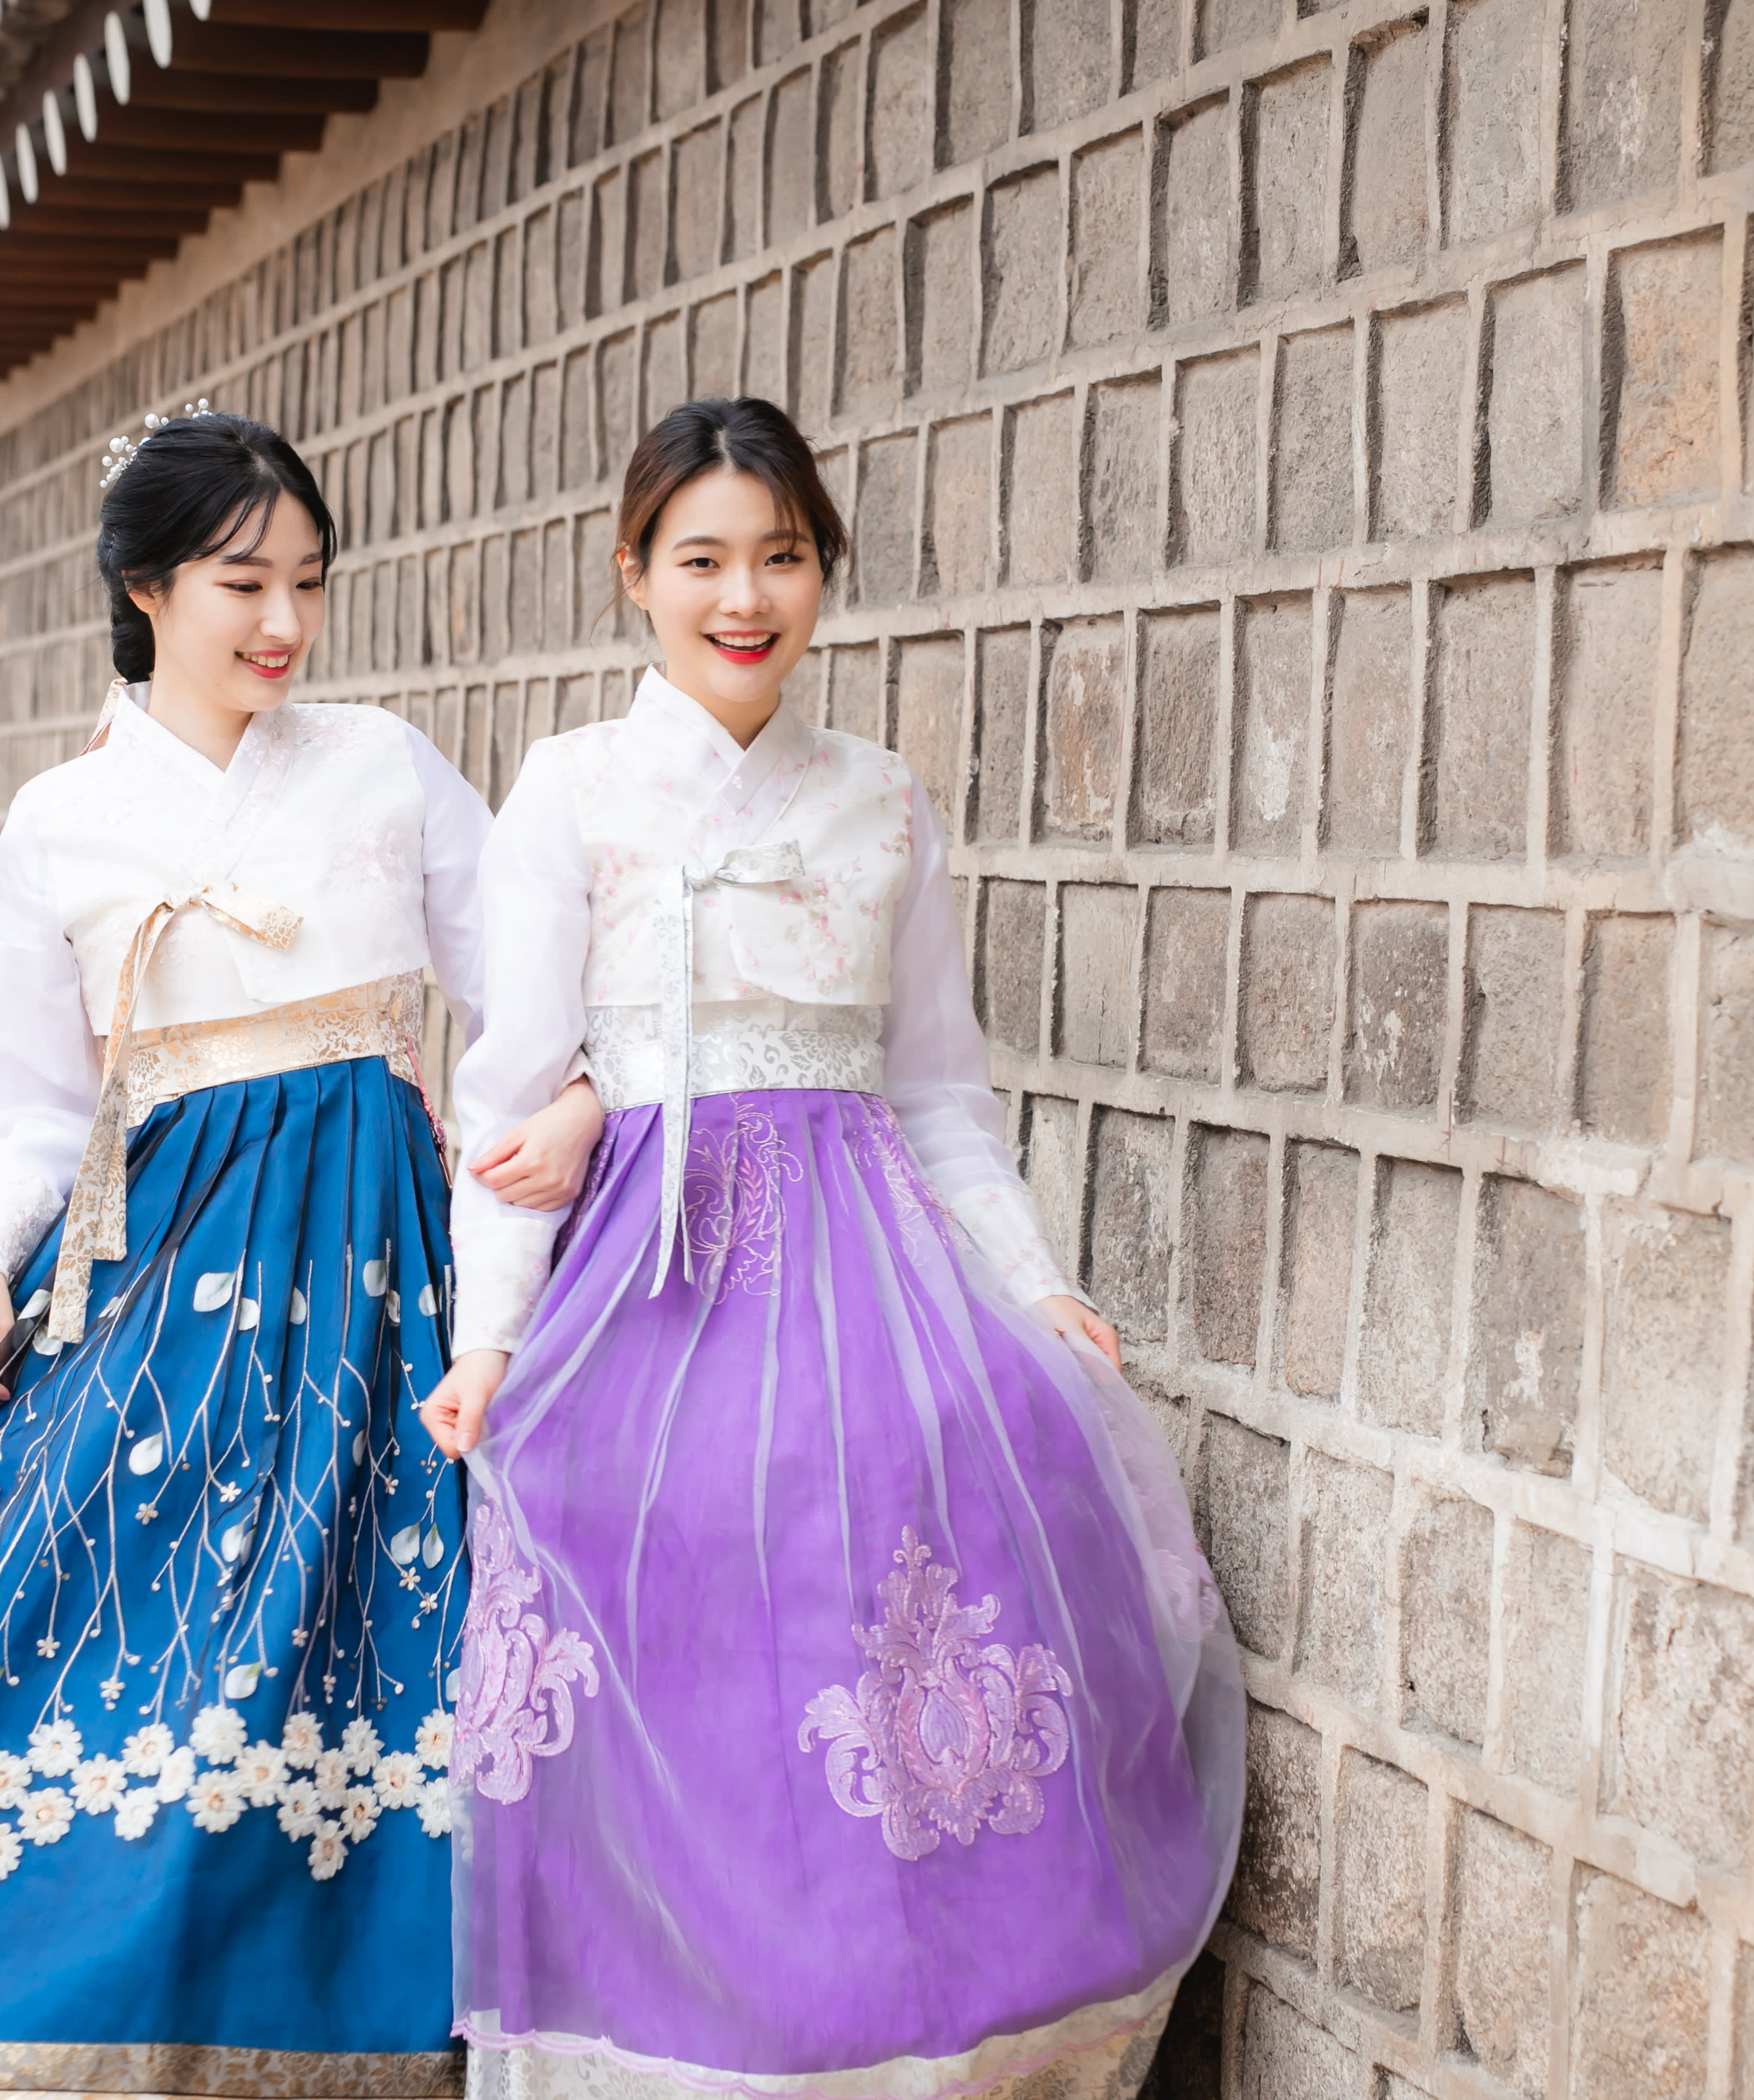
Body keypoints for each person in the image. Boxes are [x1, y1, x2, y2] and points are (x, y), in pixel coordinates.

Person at [0, 409, 605, 2099]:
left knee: (361, 1631)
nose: (284, 621)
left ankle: (386, 2015)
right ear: (145, 586)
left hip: (375, 1269)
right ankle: (132, 2007)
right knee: (127, 1631)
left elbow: (532, 1001)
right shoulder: (61, 818)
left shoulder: (387, 767)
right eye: (243, 580)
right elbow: (39, 1108)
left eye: (310, 582)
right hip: (167, 1270)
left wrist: (585, 1094)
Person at [428, 398, 1242, 2100]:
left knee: (914, 1594)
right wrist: (489, 1345)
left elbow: (942, 1093)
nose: (747, 595)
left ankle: (920, 2036)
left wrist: (1036, 1287)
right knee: (696, 1638)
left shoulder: (882, 803)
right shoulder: (573, 790)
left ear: (824, 575)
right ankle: (707, 2039)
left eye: (782, 556)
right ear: (635, 574)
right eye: (705, 558)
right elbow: (512, 1097)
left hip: (875, 1269)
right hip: (654, 1280)